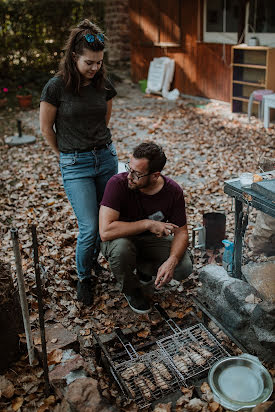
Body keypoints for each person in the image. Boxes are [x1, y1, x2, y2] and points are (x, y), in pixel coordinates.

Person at [40, 19, 118, 306]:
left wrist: (97, 146)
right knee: (88, 226)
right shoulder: (56, 87)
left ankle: (95, 262)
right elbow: (46, 128)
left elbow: (104, 120)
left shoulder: (103, 85)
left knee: (104, 221)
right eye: (89, 62)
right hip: (76, 165)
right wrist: (65, 154)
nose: (95, 67)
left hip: (106, 159)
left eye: (98, 62)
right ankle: (84, 277)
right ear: (74, 57)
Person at [99, 142, 193, 314]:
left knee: (184, 265)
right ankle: (131, 290)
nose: (129, 175)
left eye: (137, 174)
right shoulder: (117, 184)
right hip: (118, 241)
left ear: (155, 175)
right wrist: (147, 223)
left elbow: (182, 233)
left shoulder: (173, 191)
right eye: (129, 168)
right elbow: (105, 232)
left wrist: (171, 261)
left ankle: (144, 270)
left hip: (149, 241)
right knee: (122, 249)